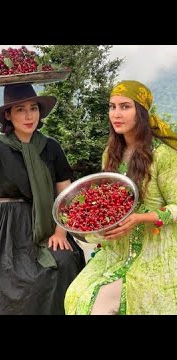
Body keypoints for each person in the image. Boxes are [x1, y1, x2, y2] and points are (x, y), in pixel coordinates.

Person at [0, 74, 85, 315]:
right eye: (20, 109)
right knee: (9, 279)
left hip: (47, 226)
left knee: (64, 262)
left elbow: (65, 194)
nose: (29, 115)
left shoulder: (51, 147)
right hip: (8, 231)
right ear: (8, 115)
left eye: (33, 108)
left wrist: (60, 232)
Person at [64, 80, 177, 315]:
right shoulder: (111, 154)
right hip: (117, 248)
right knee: (76, 295)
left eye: (125, 107)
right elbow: (108, 201)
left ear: (142, 112)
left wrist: (139, 219)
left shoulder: (163, 155)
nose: (116, 114)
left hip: (155, 249)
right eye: (112, 106)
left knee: (102, 306)